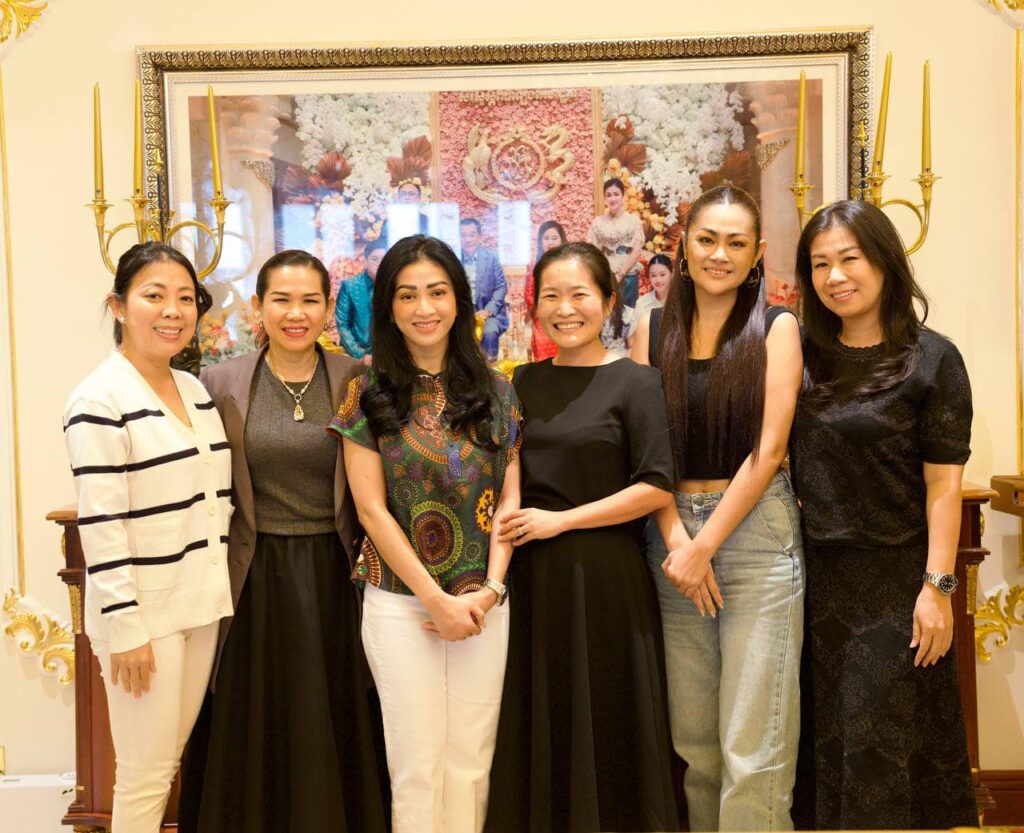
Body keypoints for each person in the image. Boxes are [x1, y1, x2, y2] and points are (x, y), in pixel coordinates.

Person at [183, 250, 388, 833]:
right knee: (255, 723)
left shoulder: (356, 379)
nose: (296, 313)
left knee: (334, 717)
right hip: (253, 574)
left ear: (328, 308)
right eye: (281, 300)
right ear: (258, 307)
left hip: (334, 573)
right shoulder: (219, 382)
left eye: (309, 301)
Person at [789, 200, 977, 829]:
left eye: (850, 258)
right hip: (814, 583)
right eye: (820, 264)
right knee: (822, 745)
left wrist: (937, 587)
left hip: (898, 585)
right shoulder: (803, 356)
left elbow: (944, 485)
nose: (835, 276)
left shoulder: (934, 358)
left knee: (883, 748)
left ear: (885, 262)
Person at [484, 241, 679, 833]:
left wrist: (562, 520)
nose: (565, 309)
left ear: (608, 300)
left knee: (610, 718)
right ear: (534, 306)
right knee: (543, 715)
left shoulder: (637, 382)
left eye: (579, 295)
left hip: (607, 578)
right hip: (535, 578)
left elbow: (656, 486)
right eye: (551, 296)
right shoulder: (521, 381)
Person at [330, 235, 522, 833]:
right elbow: (371, 511)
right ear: (388, 307)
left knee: (471, 764)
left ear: (459, 300)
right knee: (416, 768)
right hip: (399, 602)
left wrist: (489, 591)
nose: (424, 308)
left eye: (437, 292)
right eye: (407, 295)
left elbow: (509, 499)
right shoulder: (366, 391)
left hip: (483, 603)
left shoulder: (498, 389)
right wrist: (434, 599)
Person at [632, 184, 805, 832]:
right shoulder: (653, 328)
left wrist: (705, 544)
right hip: (672, 537)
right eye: (707, 239)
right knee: (697, 745)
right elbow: (645, 449)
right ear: (684, 244)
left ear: (757, 252)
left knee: (753, 747)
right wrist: (680, 540)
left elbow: (770, 450)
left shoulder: (776, 326)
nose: (719, 254)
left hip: (756, 537)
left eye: (736, 243)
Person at [63, 242, 232, 833]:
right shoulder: (99, 398)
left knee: (169, 763)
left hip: (198, 604)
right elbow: (101, 523)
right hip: (144, 619)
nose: (172, 311)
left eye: (185, 298)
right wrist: (127, 629)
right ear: (119, 306)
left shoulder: (194, 389)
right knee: (144, 775)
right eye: (154, 296)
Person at [587, 177, 644, 308]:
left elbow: (636, 251)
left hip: (628, 274)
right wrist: (604, 273)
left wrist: (621, 273)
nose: (612, 199)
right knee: (608, 311)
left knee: (628, 313)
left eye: (616, 194)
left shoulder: (633, 221)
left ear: (623, 196)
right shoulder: (598, 222)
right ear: (604, 199)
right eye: (609, 195)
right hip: (607, 274)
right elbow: (592, 251)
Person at [460, 217, 508, 361]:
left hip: (490, 313)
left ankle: (489, 368)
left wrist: (487, 311)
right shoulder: (454, 259)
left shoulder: (492, 257)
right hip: (463, 313)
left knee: (490, 332)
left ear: (480, 237)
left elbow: (501, 287)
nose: (467, 239)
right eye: (463, 235)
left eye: (471, 235)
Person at [336, 237, 387, 363]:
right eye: (375, 259)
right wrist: (360, 355)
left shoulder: (394, 286)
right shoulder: (350, 286)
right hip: (357, 356)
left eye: (384, 259)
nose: (380, 264)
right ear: (365, 261)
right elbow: (342, 324)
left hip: (389, 355)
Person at [522, 220, 567, 361]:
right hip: (542, 315)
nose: (550, 242)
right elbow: (529, 293)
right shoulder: (535, 264)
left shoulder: (570, 263)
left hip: (565, 313)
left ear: (561, 240)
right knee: (543, 340)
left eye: (554, 238)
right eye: (546, 238)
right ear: (540, 241)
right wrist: (540, 310)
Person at [632, 252, 673, 324]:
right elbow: (635, 329)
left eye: (662, 275)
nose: (658, 280)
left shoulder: (680, 300)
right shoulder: (642, 304)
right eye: (653, 275)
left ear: (672, 274)